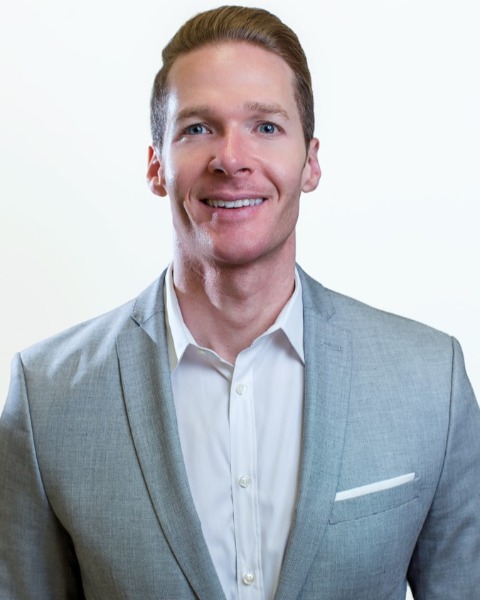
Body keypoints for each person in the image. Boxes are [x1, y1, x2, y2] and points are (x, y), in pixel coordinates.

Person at [1, 5, 479, 599]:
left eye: (266, 127)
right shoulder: (46, 397)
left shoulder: (431, 382)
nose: (231, 158)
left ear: (311, 162)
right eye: (198, 128)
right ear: (156, 166)